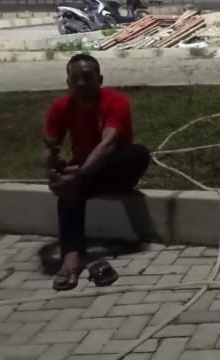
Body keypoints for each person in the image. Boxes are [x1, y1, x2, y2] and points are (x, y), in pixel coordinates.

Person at [42, 54, 150, 290]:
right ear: (68, 82)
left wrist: (77, 175)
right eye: (75, 78)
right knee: (72, 189)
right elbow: (50, 147)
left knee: (137, 153)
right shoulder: (61, 107)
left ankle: (72, 256)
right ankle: (72, 255)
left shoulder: (116, 101)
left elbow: (108, 145)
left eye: (87, 77)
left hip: (116, 171)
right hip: (85, 174)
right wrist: (52, 171)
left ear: (99, 80)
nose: (81, 83)